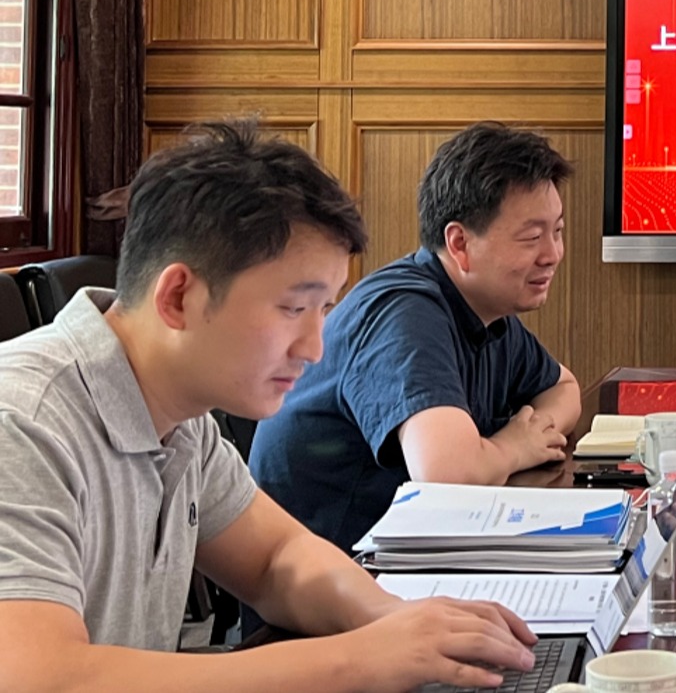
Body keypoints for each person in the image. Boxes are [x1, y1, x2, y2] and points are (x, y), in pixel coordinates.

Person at [0, 121, 538, 693]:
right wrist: (359, 659)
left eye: (324, 310)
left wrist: (395, 620)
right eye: (293, 309)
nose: (314, 348)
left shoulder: (182, 419)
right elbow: (42, 678)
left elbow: (276, 559)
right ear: (178, 296)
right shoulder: (24, 420)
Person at [251, 122, 582, 556]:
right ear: (459, 243)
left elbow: (564, 388)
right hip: (324, 574)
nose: (553, 254)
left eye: (557, 231)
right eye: (532, 238)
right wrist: (514, 448)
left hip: (409, 558)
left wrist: (525, 437)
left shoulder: (487, 312)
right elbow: (448, 475)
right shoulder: (404, 313)